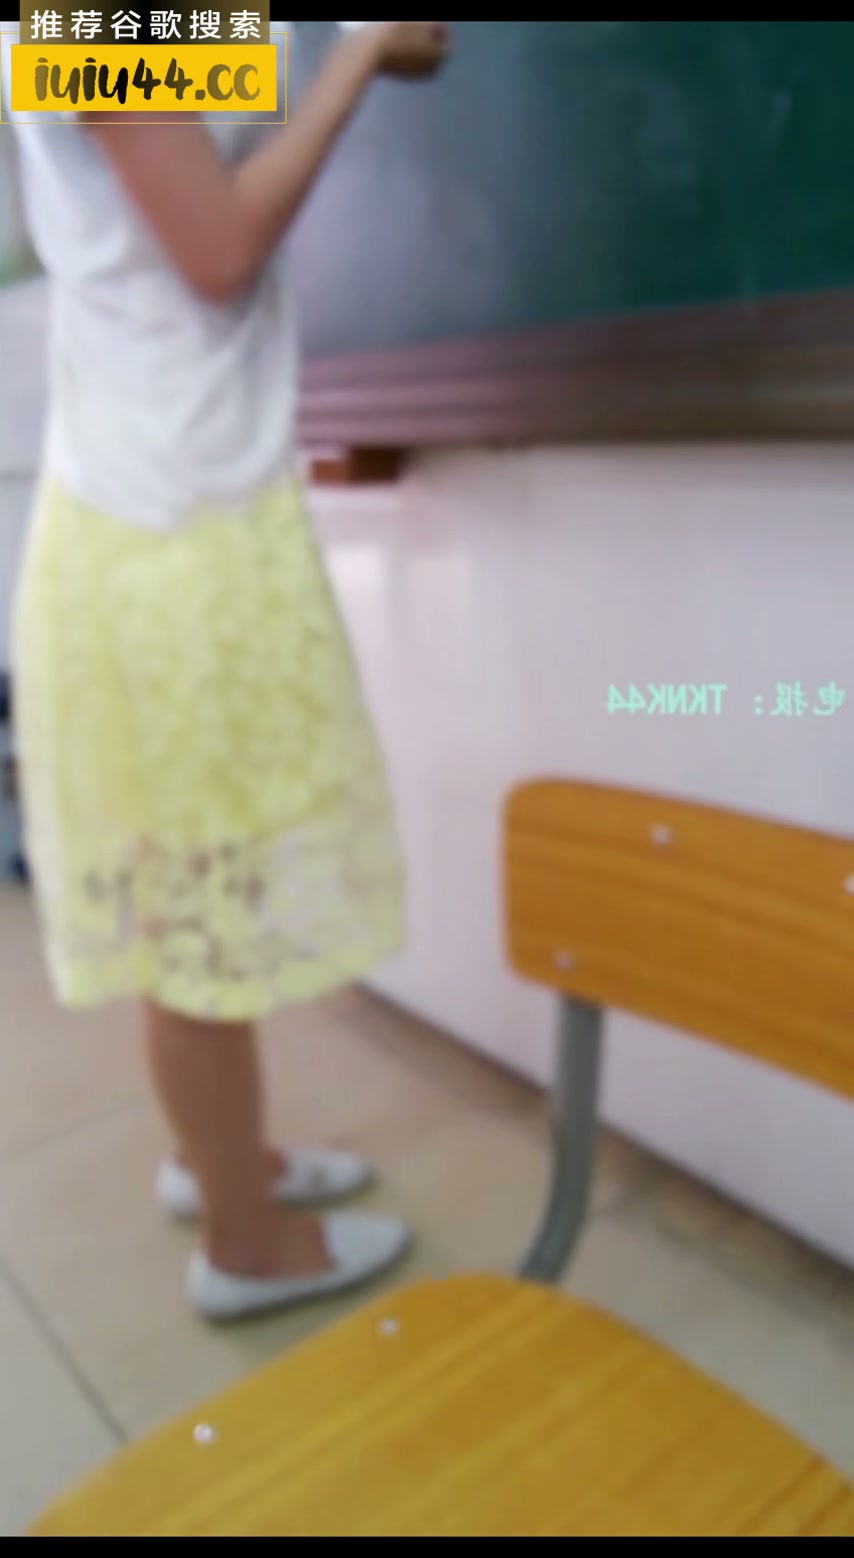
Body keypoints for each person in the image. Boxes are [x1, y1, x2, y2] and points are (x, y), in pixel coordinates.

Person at [1, 21, 451, 1322]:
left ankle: (224, 1162)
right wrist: (354, 63)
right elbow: (216, 249)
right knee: (193, 915)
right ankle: (247, 1248)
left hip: (157, 502)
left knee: (194, 892)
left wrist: (343, 50)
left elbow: (200, 145)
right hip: (168, 526)